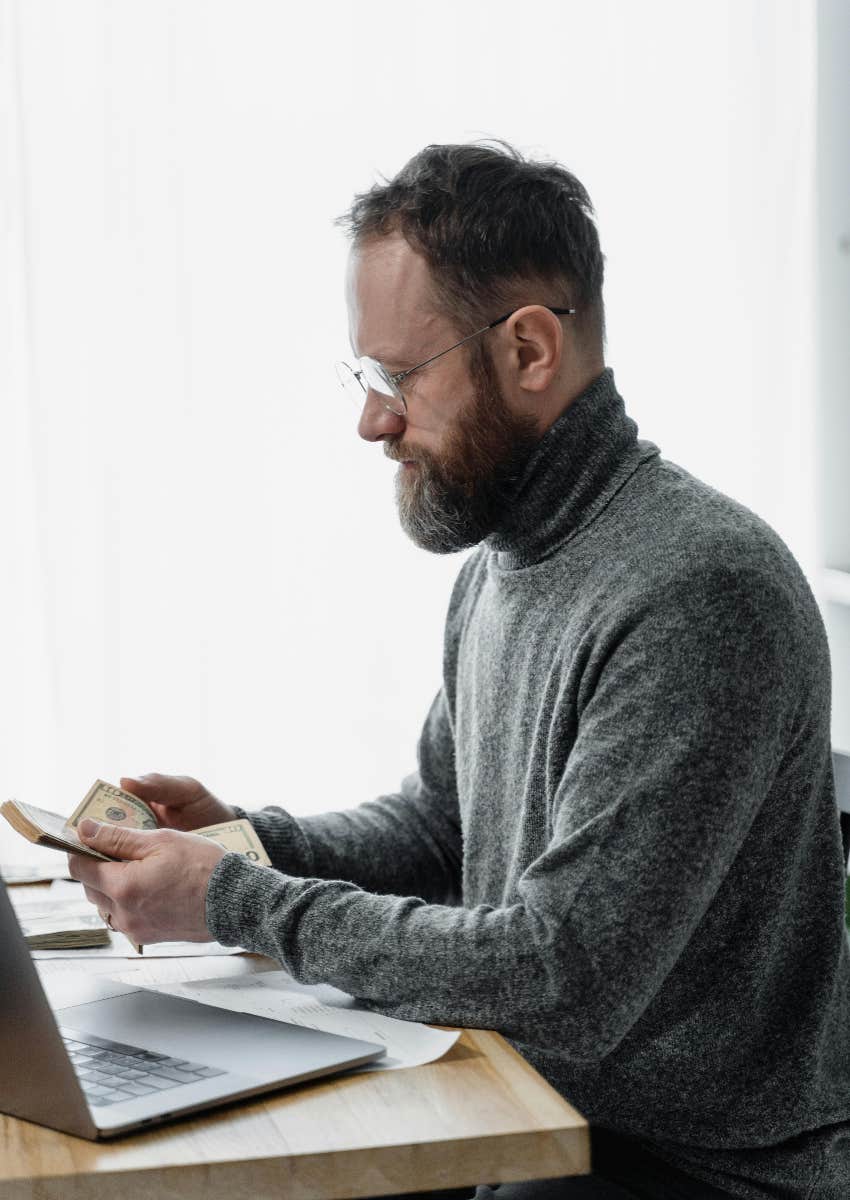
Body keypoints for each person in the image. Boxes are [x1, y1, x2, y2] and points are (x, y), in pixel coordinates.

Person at [68, 142, 850, 1199]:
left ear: (530, 348)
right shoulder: (507, 562)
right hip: (534, 1101)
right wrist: (239, 841)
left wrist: (238, 902)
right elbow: (446, 829)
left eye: (399, 374)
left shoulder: (697, 589)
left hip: (691, 1164)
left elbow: (562, 975)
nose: (372, 419)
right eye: (366, 374)